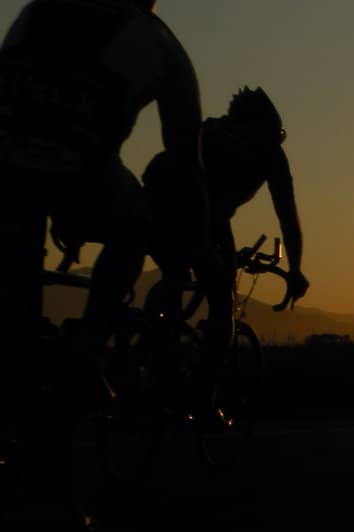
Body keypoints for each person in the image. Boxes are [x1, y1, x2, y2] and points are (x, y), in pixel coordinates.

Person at [0, 0, 205, 403]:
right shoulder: (159, 40)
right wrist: (199, 240)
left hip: (10, 167)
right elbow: (186, 164)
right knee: (136, 225)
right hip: (79, 170)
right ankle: (87, 350)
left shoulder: (38, 11)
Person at [143, 84, 308, 364]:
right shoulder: (267, 152)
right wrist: (294, 269)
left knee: (172, 282)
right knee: (222, 304)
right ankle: (204, 398)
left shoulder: (207, 132)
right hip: (200, 215)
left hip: (154, 204)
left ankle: (155, 349)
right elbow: (287, 216)